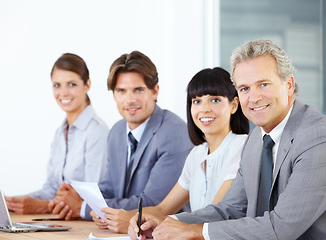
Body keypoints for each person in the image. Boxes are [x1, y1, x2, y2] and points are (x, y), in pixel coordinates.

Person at [129, 39, 326, 240]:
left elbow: (281, 228)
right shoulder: (256, 140)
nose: (254, 97)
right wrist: (169, 224)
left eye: (263, 84)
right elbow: (230, 209)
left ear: (289, 85)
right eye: (244, 89)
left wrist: (193, 232)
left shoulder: (318, 138)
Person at [92, 67, 249, 233]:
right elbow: (162, 209)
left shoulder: (242, 147)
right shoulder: (197, 154)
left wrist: (154, 222)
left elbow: (215, 213)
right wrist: (125, 217)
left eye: (215, 100)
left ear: (233, 105)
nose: (205, 109)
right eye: (197, 101)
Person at [49, 50, 194, 223]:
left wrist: (82, 207)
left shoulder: (174, 133)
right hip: (119, 231)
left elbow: (152, 203)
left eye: (138, 90)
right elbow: (109, 190)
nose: (130, 99)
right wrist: (75, 197)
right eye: (121, 91)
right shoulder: (117, 132)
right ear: (114, 95)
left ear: (155, 91)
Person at [5, 53, 109, 214]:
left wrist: (43, 206)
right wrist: (15, 201)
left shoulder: (97, 131)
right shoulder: (60, 133)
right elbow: (51, 188)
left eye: (72, 84)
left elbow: (93, 198)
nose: (64, 93)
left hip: (84, 225)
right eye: (57, 85)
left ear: (87, 85)